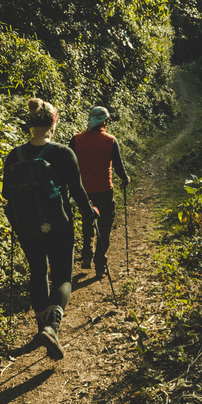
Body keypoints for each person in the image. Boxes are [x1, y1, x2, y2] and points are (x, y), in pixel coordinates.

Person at [2, 98, 97, 360]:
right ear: (54, 122)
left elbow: (6, 196)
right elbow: (77, 192)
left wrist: (17, 225)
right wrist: (90, 215)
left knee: (37, 272)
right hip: (59, 224)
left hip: (27, 227)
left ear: (31, 124)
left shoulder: (15, 155)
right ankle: (52, 327)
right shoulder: (63, 153)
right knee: (63, 277)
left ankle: (41, 324)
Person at [68, 106, 129, 278]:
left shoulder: (76, 139)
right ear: (104, 121)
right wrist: (125, 179)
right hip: (104, 191)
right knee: (104, 228)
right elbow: (118, 167)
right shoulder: (110, 140)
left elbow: (70, 166)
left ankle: (86, 255)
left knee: (87, 221)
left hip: (83, 193)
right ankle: (100, 264)